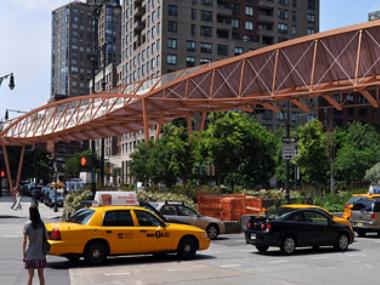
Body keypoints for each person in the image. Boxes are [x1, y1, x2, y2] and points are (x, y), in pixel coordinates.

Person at [22, 205, 47, 285]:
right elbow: (47, 237)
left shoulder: (27, 225)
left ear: (30, 213)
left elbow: (24, 241)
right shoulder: (42, 224)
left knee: (30, 276)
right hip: (41, 254)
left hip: (30, 254)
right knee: (41, 276)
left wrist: (24, 254)